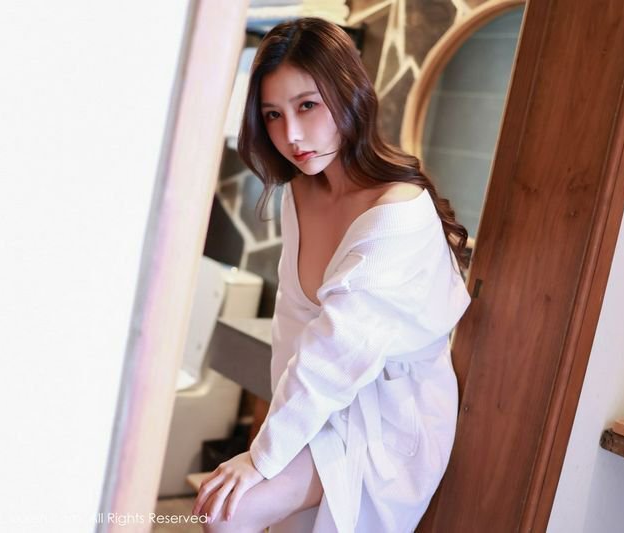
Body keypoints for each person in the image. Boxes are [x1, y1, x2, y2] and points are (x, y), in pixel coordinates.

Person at [191, 17, 471, 532]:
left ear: (348, 94)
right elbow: (291, 326)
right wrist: (276, 438)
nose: (291, 136)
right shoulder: (300, 191)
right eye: (273, 115)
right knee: (225, 509)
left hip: (386, 418)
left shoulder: (398, 213)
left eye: (307, 105)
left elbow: (338, 349)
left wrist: (263, 457)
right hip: (320, 401)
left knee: (229, 513)